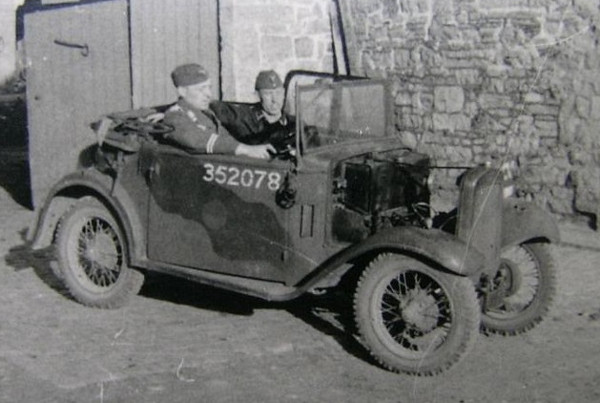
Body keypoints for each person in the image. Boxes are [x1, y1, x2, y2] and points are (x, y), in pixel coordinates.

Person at [163, 63, 274, 159]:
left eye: (209, 87)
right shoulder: (175, 116)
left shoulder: (206, 113)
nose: (208, 94)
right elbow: (196, 140)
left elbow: (226, 139)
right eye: (201, 89)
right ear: (182, 91)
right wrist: (245, 149)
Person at [210, 70, 295, 148]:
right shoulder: (244, 118)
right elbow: (215, 106)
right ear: (258, 95)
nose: (274, 100)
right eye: (268, 94)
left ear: (284, 93)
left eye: (278, 93)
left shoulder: (294, 123)